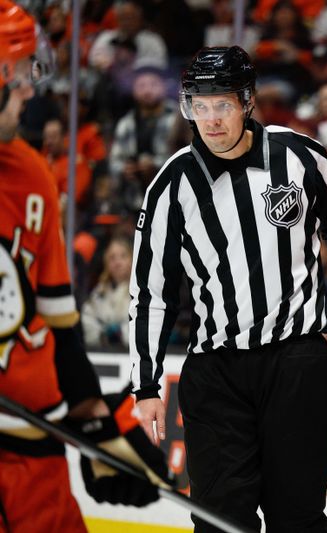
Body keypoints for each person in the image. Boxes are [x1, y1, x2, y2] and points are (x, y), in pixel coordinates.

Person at [130, 46, 327, 532]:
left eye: (223, 105)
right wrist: (146, 384)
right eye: (200, 105)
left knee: (297, 518)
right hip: (216, 372)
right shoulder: (171, 185)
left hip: (296, 363)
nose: (210, 120)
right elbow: (151, 291)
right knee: (219, 523)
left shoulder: (300, 157)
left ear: (248, 102)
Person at [0, 2, 171, 531]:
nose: (31, 90)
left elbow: (58, 319)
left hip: (34, 453)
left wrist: (95, 418)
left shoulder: (30, 175)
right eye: (21, 72)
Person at [81, 236, 133, 347]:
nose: (117, 262)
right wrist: (102, 335)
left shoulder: (141, 292)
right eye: (112, 258)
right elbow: (87, 319)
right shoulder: (98, 293)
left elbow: (145, 323)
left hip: (132, 356)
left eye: (123, 256)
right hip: (104, 355)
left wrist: (121, 334)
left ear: (132, 259)